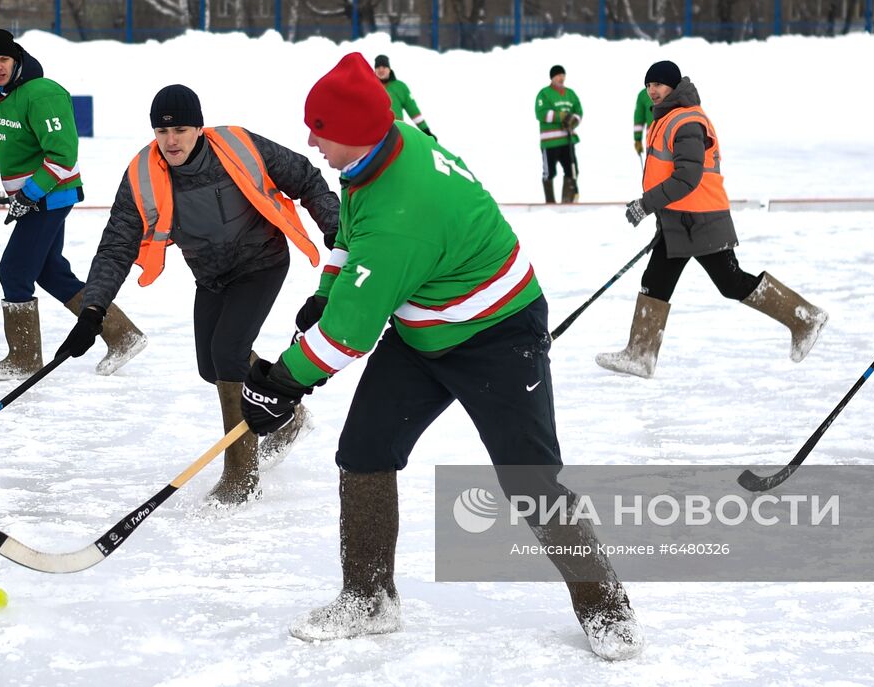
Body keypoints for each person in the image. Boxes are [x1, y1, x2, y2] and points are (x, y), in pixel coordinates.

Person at [238, 53, 641, 660]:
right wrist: (325, 294)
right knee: (365, 451)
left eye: (320, 130)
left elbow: (348, 337)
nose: (311, 140)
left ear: (355, 133)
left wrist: (282, 381)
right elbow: (349, 233)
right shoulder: (382, 149)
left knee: (529, 479)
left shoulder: (405, 214)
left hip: (499, 336)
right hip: (422, 327)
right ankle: (369, 598)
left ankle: (606, 608)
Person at [54, 84, 340, 505]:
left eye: (182, 130)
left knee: (227, 353)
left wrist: (334, 226)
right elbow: (116, 244)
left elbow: (306, 177)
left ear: (199, 129)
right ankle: (286, 413)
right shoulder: (141, 174)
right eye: (162, 131)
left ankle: (242, 474)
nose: (171, 141)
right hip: (210, 276)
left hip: (261, 262)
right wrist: (93, 309)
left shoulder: (240, 146)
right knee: (212, 366)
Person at [598, 60, 828, 377]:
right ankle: (640, 354)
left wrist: (646, 204)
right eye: (649, 85)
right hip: (679, 219)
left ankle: (804, 317)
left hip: (700, 219)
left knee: (731, 282)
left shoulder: (687, 121)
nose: (653, 91)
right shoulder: (666, 118)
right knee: (656, 280)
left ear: (673, 86)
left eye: (659, 85)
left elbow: (687, 177)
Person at [0, 28, 145, 381]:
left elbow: (64, 156)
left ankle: (23, 358)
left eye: (3, 59)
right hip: (29, 197)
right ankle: (122, 334)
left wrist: (29, 196)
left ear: (16, 58)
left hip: (52, 195)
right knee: (50, 271)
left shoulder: (43, 94)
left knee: (14, 272)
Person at [535, 64, 583, 203]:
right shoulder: (544, 93)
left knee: (572, 171)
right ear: (552, 77)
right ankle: (550, 203)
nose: (561, 78)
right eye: (558, 75)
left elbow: (578, 111)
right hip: (550, 142)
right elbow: (541, 113)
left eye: (563, 75)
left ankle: (567, 202)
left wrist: (573, 120)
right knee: (549, 173)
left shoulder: (571, 94)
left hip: (567, 140)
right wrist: (561, 116)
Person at [373, 53, 436, 140]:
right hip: (374, 131)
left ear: (389, 69)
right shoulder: (370, 86)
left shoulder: (401, 87)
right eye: (378, 68)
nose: (381, 70)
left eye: (384, 67)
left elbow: (412, 109)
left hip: (395, 129)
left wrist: (425, 130)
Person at [633, 85, 653, 161]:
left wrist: (637, 139)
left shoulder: (643, 94)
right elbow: (639, 118)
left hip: (654, 137)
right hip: (652, 137)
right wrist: (637, 139)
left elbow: (639, 118)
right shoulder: (643, 94)